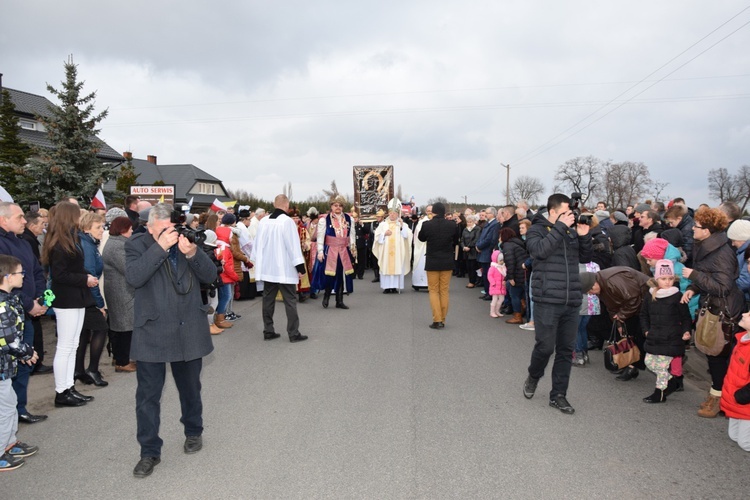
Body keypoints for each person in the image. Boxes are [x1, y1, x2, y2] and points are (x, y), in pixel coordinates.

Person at [125, 204, 217, 478]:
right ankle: (149, 452)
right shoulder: (136, 245)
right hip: (152, 331)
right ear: (149, 227)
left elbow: (211, 276)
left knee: (190, 389)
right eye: (162, 229)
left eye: (171, 227)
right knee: (147, 397)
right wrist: (160, 247)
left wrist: (193, 254)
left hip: (188, 328)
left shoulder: (185, 240)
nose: (170, 232)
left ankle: (193, 431)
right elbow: (134, 278)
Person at [522, 194, 592, 415]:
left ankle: (558, 395)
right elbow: (539, 252)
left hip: (571, 300)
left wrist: (583, 237)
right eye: (564, 211)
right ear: (553, 212)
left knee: (565, 350)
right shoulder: (537, 230)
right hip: (547, 299)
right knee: (545, 347)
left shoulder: (570, 230)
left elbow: (586, 257)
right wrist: (561, 226)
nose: (569, 215)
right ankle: (534, 375)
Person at [681, 207, 744, 418]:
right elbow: (708, 279)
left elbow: (723, 287)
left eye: (696, 226)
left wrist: (695, 276)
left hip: (725, 311)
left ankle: (720, 400)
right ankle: (716, 395)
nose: (692, 229)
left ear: (707, 230)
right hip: (712, 307)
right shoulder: (706, 246)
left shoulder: (722, 252)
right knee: (713, 355)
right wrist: (692, 288)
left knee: (718, 356)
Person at [41, 202, 96, 408]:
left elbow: (72, 269)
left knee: (73, 344)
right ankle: (61, 391)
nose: (79, 218)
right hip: (66, 299)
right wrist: (85, 280)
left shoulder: (69, 240)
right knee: (65, 346)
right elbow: (60, 275)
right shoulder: (59, 244)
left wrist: (86, 277)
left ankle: (69, 386)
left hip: (76, 297)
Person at [250, 194, 308, 343]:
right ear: (287, 205)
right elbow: (293, 246)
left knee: (268, 299)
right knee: (290, 300)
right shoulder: (287, 222)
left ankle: (268, 330)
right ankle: (293, 333)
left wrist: (257, 263)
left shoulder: (263, 221)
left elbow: (256, 245)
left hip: (268, 269)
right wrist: (300, 268)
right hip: (284, 269)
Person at [0, 255, 40, 471]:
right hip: (2, 366)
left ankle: (9, 443)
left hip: (6, 366)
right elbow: (6, 339)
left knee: (9, 403)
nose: (23, 276)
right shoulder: (2, 305)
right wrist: (27, 352)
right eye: (19, 273)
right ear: (7, 277)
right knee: (5, 409)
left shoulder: (9, 299)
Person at [581, 266, 650, 381]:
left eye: (590, 290)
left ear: (594, 284)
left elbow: (634, 299)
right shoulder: (602, 284)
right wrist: (618, 323)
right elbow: (612, 306)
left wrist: (621, 316)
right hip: (634, 307)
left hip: (646, 303)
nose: (591, 294)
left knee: (643, 337)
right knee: (630, 337)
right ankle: (631, 365)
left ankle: (673, 371)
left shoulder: (611, 281)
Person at [639, 260, 692, 403]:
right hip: (654, 336)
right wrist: (646, 331)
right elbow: (643, 314)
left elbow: (686, 317)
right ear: (656, 279)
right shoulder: (650, 296)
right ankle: (673, 382)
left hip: (672, 337)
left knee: (662, 366)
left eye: (670, 279)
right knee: (649, 362)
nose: (668, 282)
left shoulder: (677, 296)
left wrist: (686, 331)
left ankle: (659, 394)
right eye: (663, 279)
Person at [75, 212, 110, 387]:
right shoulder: (87, 245)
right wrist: (99, 303)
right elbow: (91, 277)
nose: (102, 230)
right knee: (101, 328)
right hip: (86, 296)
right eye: (98, 227)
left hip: (81, 295)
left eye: (102, 226)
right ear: (86, 228)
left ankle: (79, 369)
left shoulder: (86, 242)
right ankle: (92, 369)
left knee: (83, 333)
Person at [101, 216, 136, 372]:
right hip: (120, 291)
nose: (133, 230)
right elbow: (128, 269)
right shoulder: (117, 246)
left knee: (122, 326)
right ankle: (122, 361)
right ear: (123, 230)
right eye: (130, 228)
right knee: (124, 328)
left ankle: (120, 357)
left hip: (119, 290)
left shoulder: (117, 243)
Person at [418, 202, 458, 329]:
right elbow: (456, 240)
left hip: (432, 261)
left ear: (433, 212)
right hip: (447, 261)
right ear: (444, 212)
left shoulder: (427, 224)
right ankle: (443, 319)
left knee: (434, 290)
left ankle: (437, 319)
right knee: (444, 291)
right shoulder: (452, 225)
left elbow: (421, 238)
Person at [313, 195, 355, 309]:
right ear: (331, 206)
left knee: (341, 276)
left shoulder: (348, 218)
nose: (338, 208)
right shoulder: (324, 220)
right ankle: (326, 296)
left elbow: (352, 235)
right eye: (335, 205)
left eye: (340, 205)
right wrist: (320, 251)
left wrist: (353, 248)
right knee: (330, 275)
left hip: (344, 250)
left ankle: (339, 300)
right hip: (330, 250)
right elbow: (320, 236)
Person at [720, 311, 750, 452]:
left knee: (744, 443)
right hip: (735, 398)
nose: (744, 314)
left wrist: (742, 396)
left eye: (749, 315)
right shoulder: (742, 339)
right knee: (733, 436)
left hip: (745, 401)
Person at [373, 199, 413, 294]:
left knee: (397, 266)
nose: (392, 215)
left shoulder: (402, 224)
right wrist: (384, 234)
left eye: (394, 213)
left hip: (398, 252)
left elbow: (407, 236)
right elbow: (377, 237)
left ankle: (395, 287)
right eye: (390, 213)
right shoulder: (383, 225)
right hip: (386, 252)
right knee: (386, 266)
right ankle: (387, 287)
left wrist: (402, 227)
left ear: (397, 214)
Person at [500, 227, 528, 324]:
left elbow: (510, 263)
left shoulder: (508, 246)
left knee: (514, 294)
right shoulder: (517, 243)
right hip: (523, 272)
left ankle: (517, 316)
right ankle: (524, 307)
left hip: (517, 273)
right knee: (522, 293)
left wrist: (510, 277)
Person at [461, 214, 481, 288]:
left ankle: (473, 282)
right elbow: (462, 239)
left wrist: (469, 246)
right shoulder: (465, 229)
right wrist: (464, 247)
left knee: (473, 267)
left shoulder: (477, 229)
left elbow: (476, 239)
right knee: (468, 267)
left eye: (470, 222)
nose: (469, 223)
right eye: (468, 222)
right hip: (466, 252)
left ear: (474, 222)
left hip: (473, 251)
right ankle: (471, 281)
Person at [487, 250, 507, 318]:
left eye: (503, 260)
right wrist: (493, 283)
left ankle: (497, 310)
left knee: (501, 299)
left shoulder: (503, 267)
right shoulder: (493, 267)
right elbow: (489, 276)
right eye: (500, 260)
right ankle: (492, 312)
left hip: (502, 286)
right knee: (494, 299)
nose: (502, 262)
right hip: (495, 286)